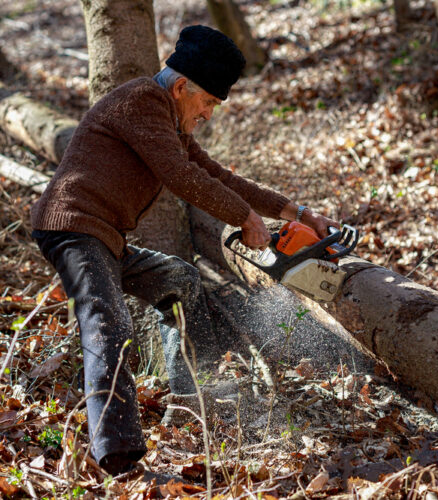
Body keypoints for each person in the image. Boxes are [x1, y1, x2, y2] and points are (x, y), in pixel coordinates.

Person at [31, 25, 339, 476]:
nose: (210, 113)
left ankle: (191, 400)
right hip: (73, 228)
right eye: (209, 102)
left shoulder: (167, 121)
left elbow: (221, 176)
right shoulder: (140, 102)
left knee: (180, 279)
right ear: (181, 88)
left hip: (105, 238)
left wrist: (300, 212)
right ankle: (118, 457)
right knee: (106, 321)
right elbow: (179, 175)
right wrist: (244, 218)